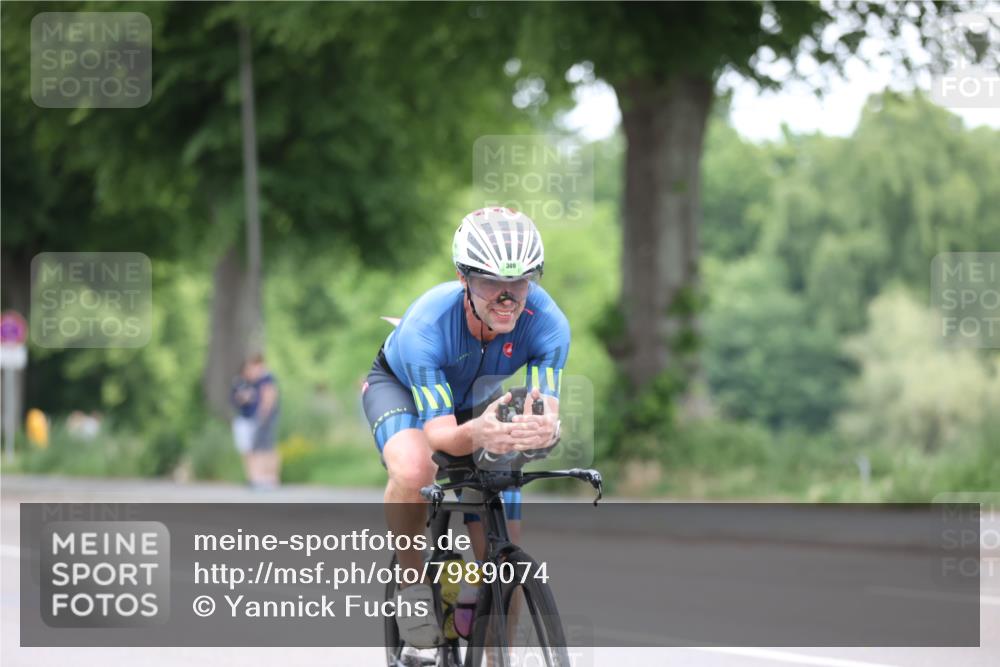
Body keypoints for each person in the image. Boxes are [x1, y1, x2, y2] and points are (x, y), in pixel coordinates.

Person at [361, 207, 568, 647]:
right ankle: (414, 590)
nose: (507, 296)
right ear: (463, 278)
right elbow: (439, 435)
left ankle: (494, 648)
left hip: (473, 398)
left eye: (519, 281)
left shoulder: (548, 324)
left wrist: (544, 430)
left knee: (503, 548)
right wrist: (477, 434)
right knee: (417, 469)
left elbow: (544, 408)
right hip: (400, 389)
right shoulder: (427, 327)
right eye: (492, 282)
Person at [230, 354, 281, 489]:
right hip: (258, 418)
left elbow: (269, 398)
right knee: (259, 448)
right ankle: (260, 478)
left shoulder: (266, 379)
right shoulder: (247, 380)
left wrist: (262, 416)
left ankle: (269, 479)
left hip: (264, 418)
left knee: (265, 449)